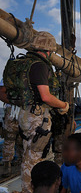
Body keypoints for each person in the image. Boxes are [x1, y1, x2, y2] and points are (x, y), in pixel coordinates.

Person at [3, 31, 69, 193]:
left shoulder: (17, 64)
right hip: (34, 117)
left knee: (20, 147)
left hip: (14, 111)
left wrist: (19, 104)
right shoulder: (40, 66)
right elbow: (45, 96)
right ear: (48, 51)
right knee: (33, 157)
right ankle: (28, 190)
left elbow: (2, 92)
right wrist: (63, 105)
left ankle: (7, 163)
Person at [0, 79, 23, 178]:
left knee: (22, 138)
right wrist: (14, 102)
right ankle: (7, 165)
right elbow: (1, 92)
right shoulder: (10, 75)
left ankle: (20, 160)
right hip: (13, 111)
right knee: (9, 138)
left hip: (26, 111)